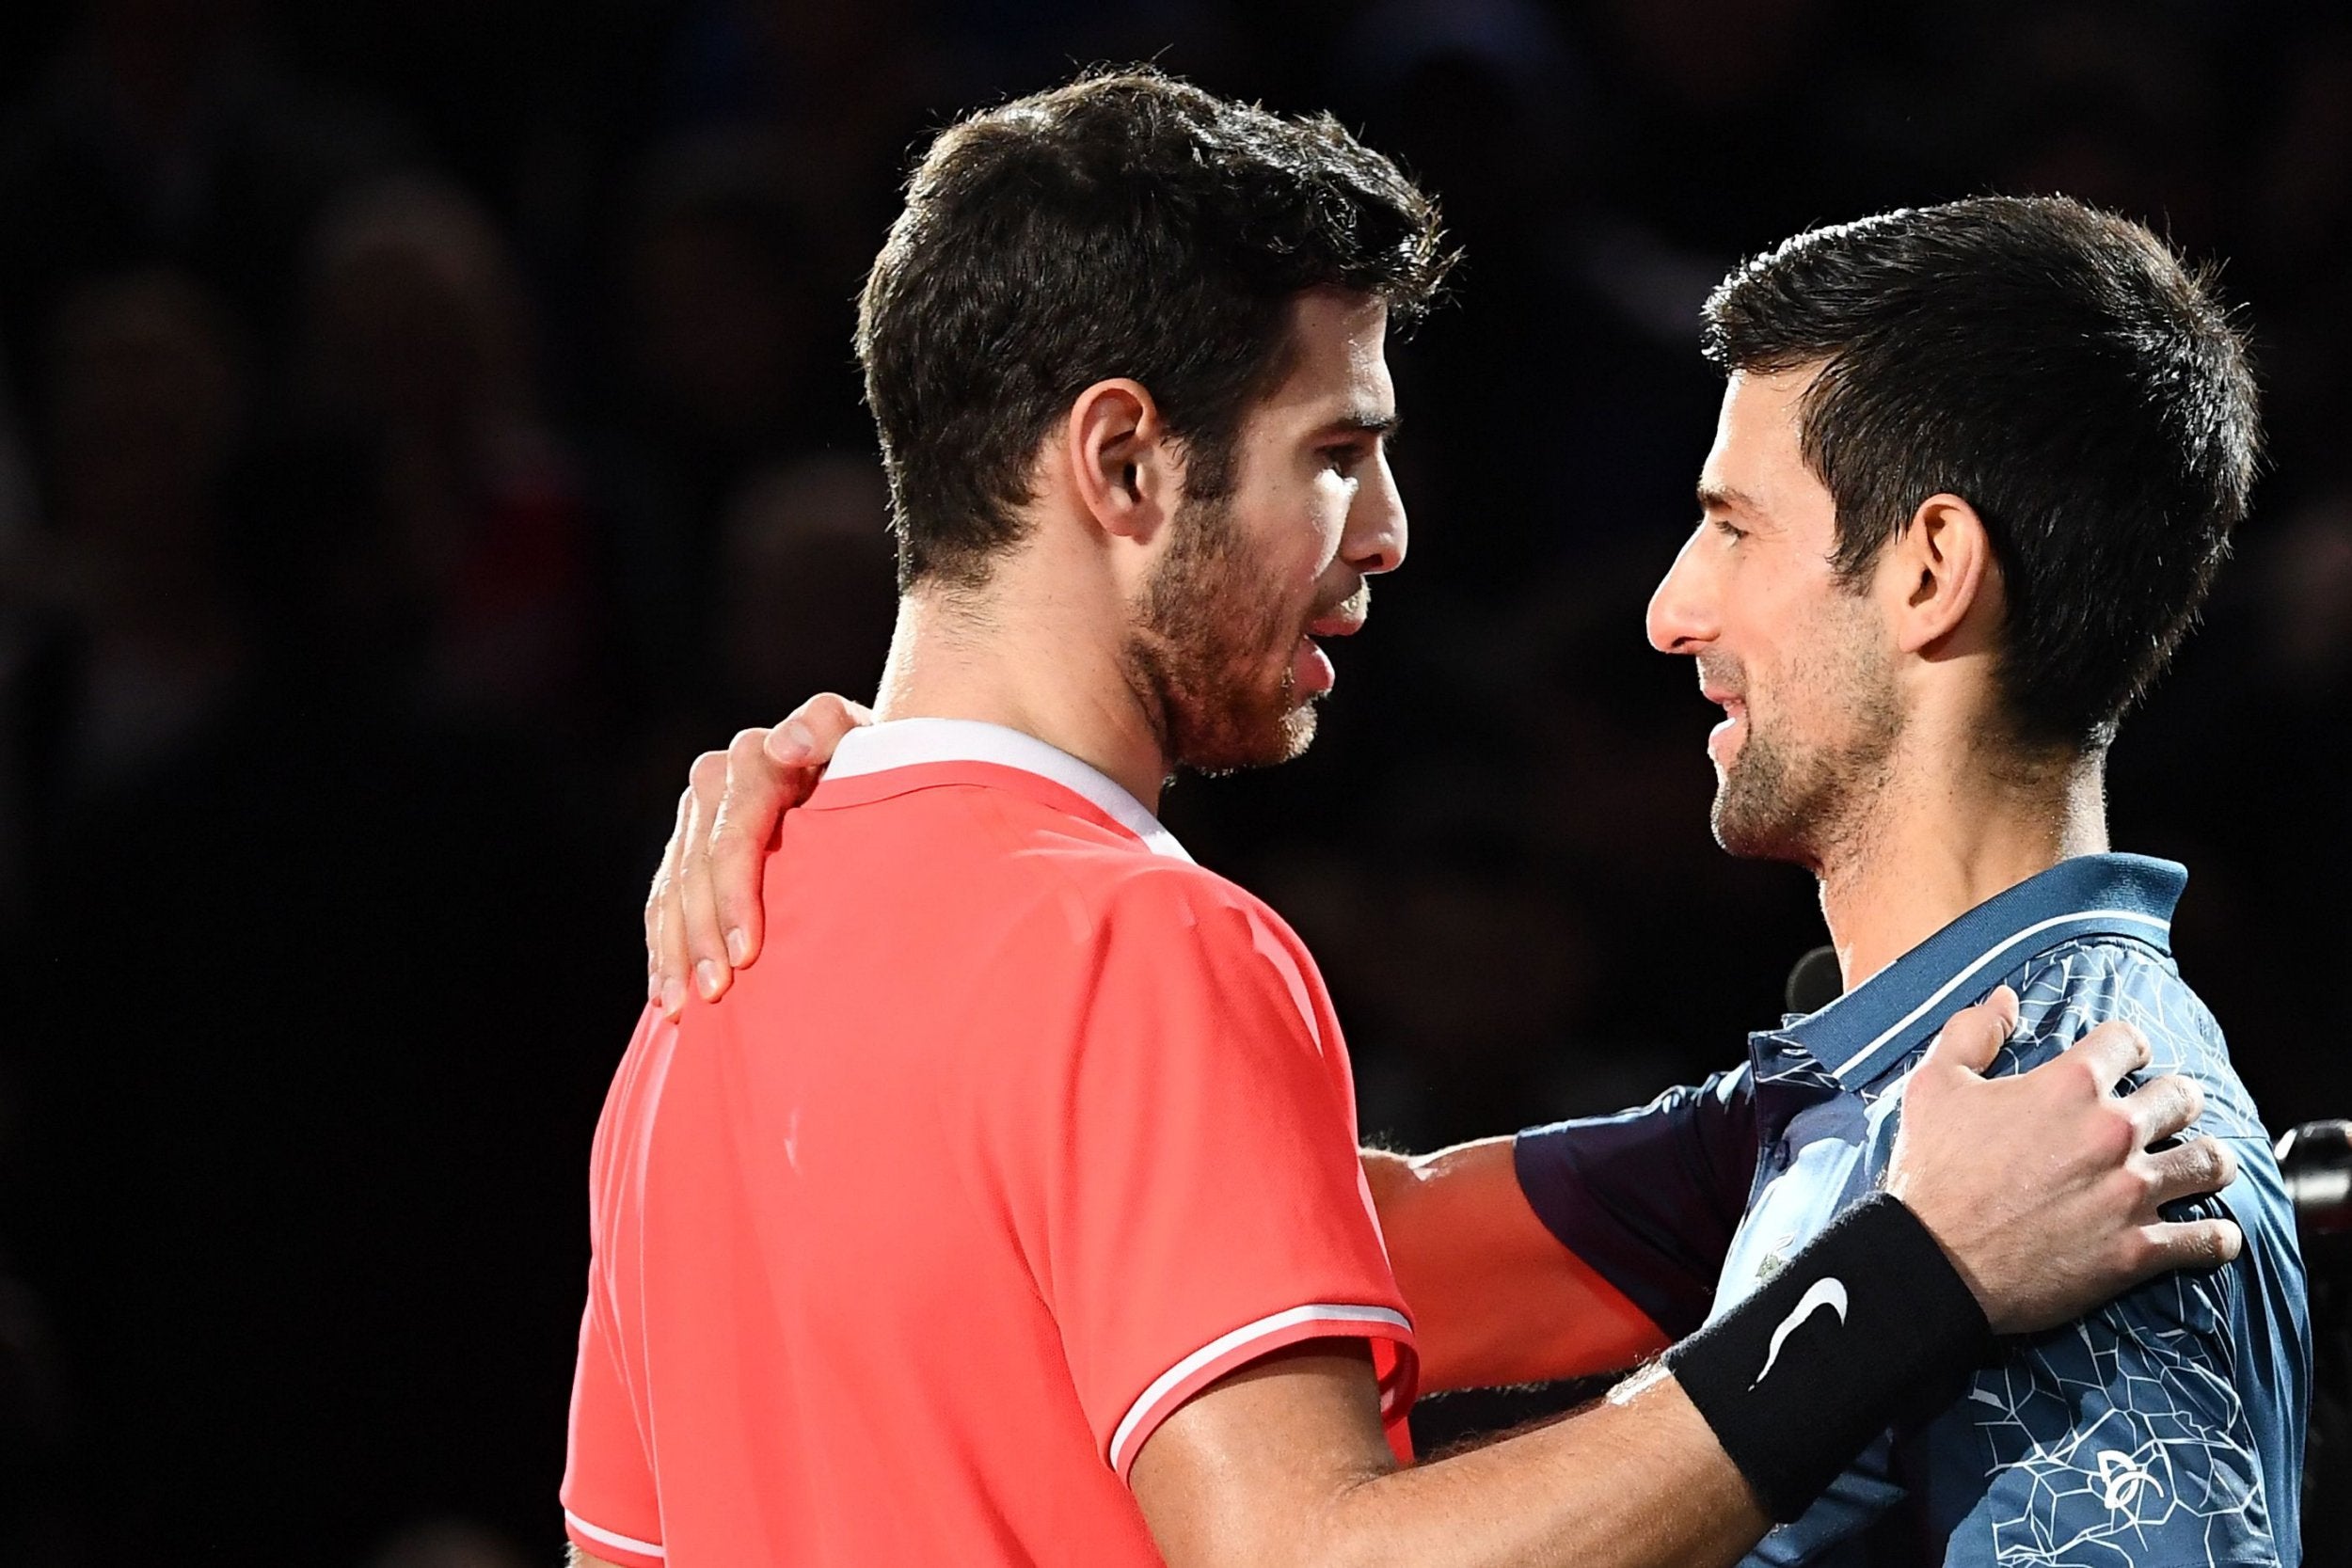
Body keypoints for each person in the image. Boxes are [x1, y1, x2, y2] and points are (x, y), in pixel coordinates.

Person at [581, 73, 2239, 1568]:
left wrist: (1865, 1131)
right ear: (1124, 463)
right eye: (1337, 450)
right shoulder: (1142, 945)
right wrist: (1900, 1282)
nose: (1385, 529)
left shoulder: (701, 993)